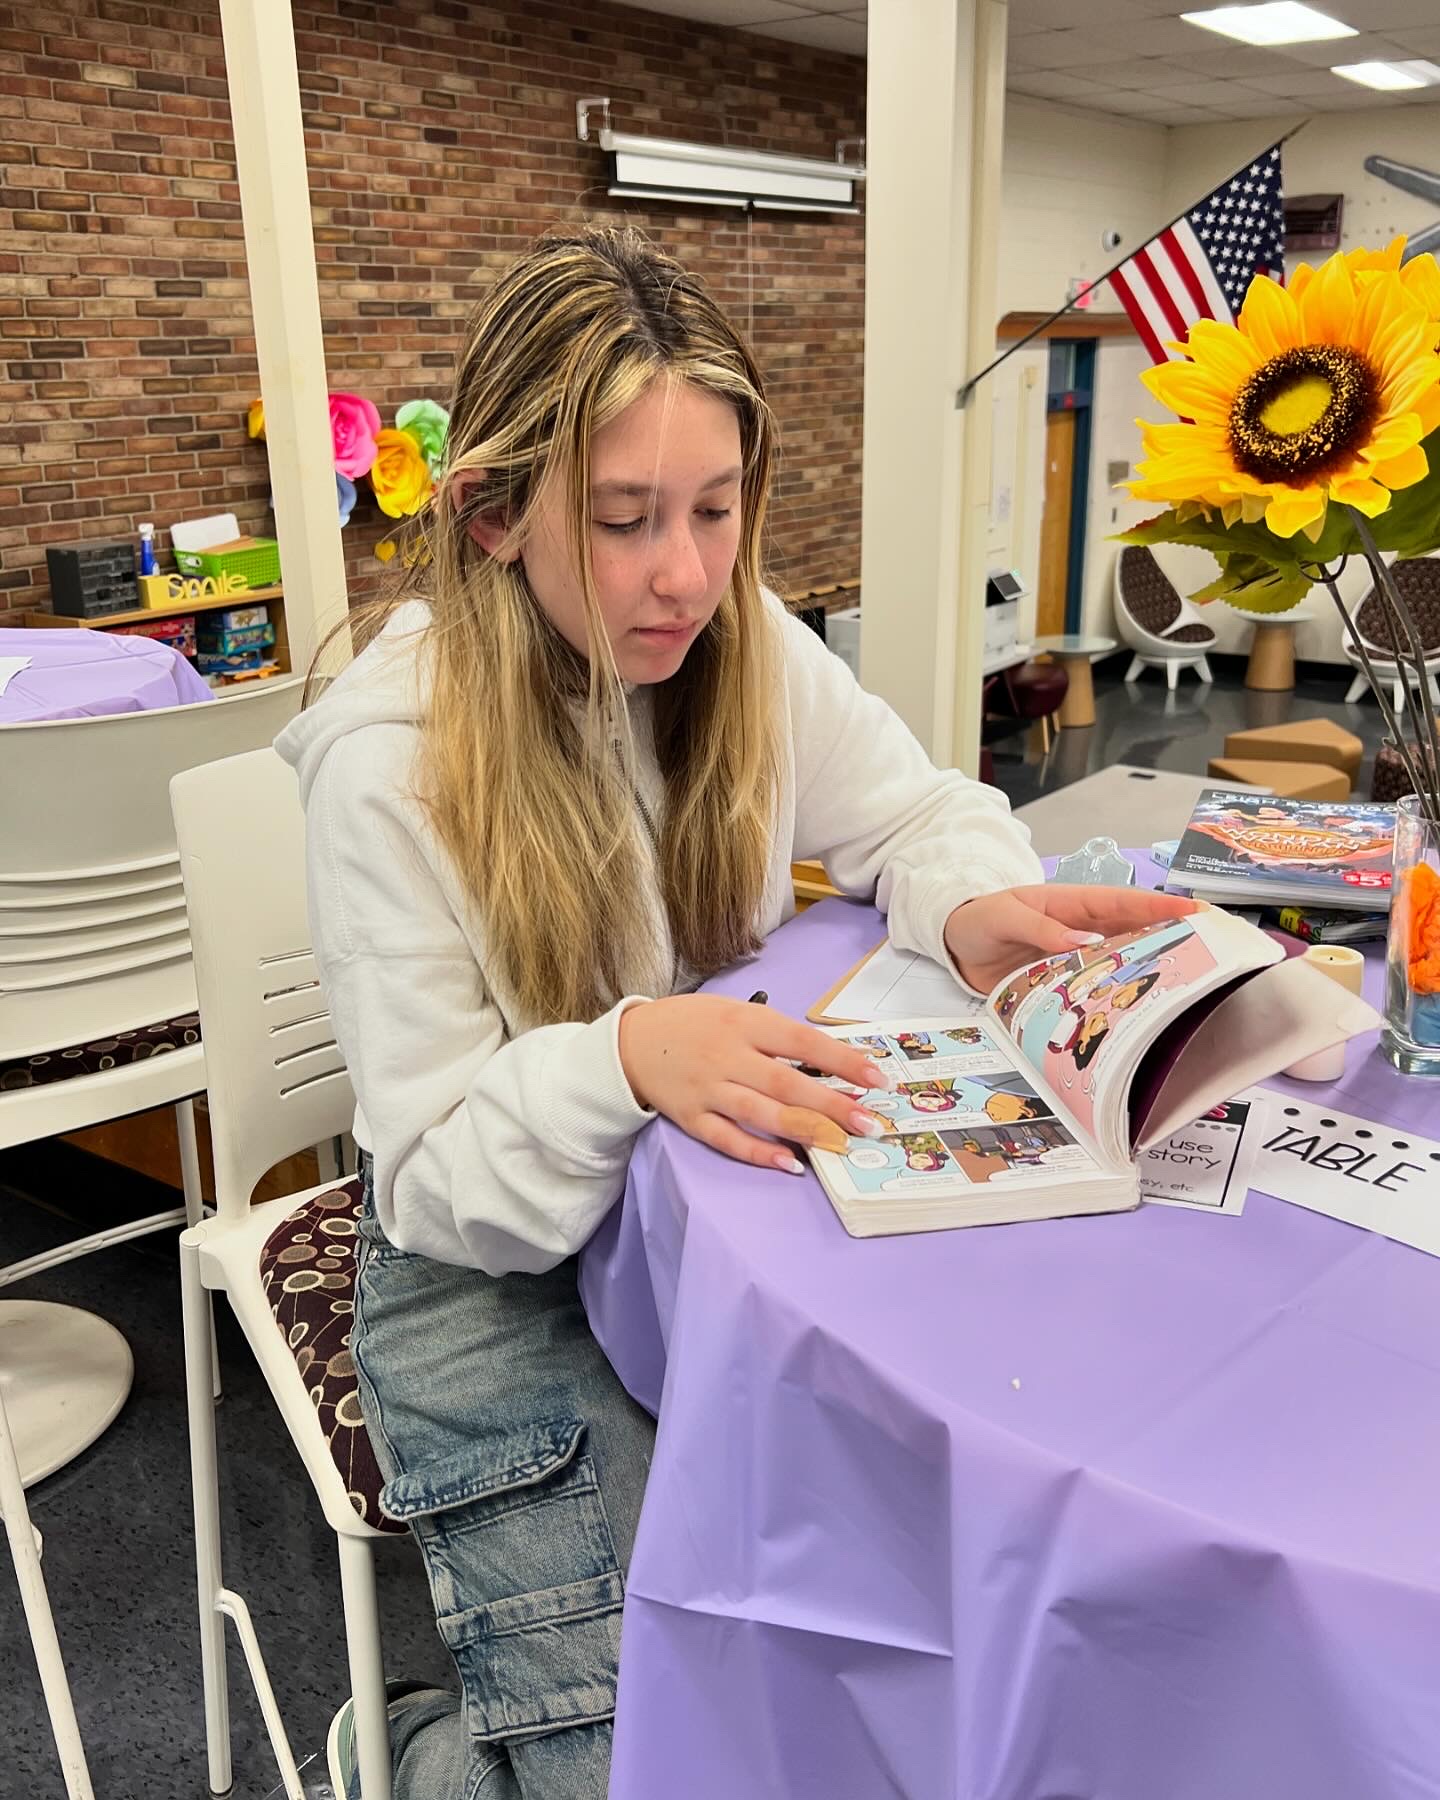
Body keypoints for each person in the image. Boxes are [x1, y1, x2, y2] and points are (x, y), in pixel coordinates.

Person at [275, 225, 1193, 1800]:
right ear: (493, 516)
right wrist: (631, 1054)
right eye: (625, 520)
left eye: (715, 511)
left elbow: (920, 809)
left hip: (709, 1210)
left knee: (849, 1657)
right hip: (493, 1280)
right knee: (660, 1757)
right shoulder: (391, 762)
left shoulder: (741, 641)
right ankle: (424, 1748)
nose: (687, 574)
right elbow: (430, 1176)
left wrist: (969, 902)